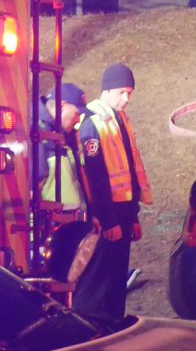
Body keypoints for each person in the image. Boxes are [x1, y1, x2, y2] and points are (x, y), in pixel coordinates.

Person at [74, 63, 152, 321]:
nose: (126, 99)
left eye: (130, 92)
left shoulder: (120, 120)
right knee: (100, 280)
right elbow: (95, 179)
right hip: (108, 217)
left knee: (117, 279)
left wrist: (133, 218)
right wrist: (108, 220)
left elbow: (129, 171)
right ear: (106, 90)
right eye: (121, 92)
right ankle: (92, 331)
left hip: (123, 215)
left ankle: (113, 326)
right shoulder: (92, 123)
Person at [36, 82, 88, 217]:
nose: (78, 120)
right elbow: (31, 192)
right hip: (50, 230)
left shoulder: (62, 134)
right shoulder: (36, 134)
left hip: (68, 225)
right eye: (77, 113)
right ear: (62, 106)